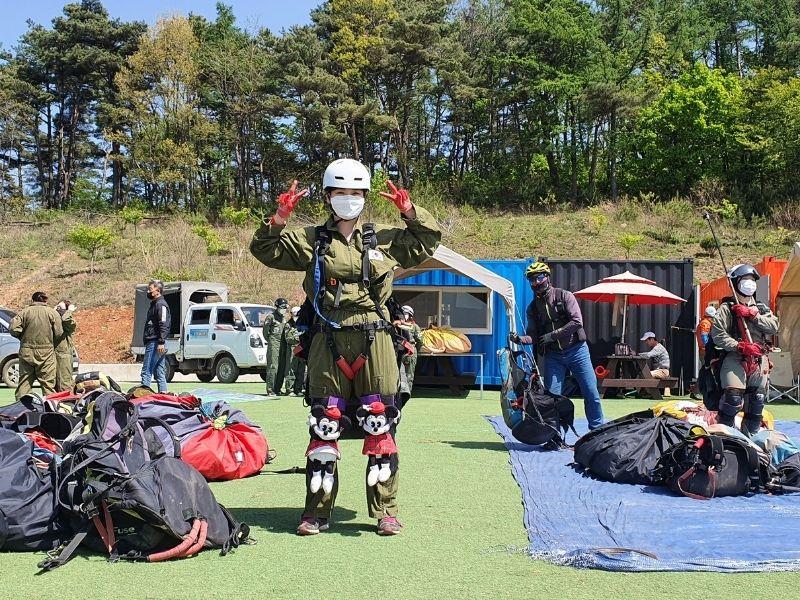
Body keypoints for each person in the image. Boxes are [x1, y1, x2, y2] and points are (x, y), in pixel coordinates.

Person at [250, 158, 441, 536]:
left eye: (355, 193)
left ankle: (386, 511)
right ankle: (316, 513)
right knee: (324, 424)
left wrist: (409, 211)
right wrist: (279, 217)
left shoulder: (383, 238)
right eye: (341, 192)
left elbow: (427, 242)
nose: (348, 199)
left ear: (365, 196)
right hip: (328, 338)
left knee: (380, 421)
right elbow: (265, 250)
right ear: (327, 196)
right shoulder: (310, 240)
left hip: (377, 338)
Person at [513, 261, 604, 430]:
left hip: (577, 351)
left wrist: (552, 335)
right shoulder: (532, 308)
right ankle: (553, 435)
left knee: (591, 393)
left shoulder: (564, 296)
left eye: (539, 278)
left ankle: (598, 430)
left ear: (547, 277)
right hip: (554, 356)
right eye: (532, 280)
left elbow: (577, 322)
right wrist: (520, 339)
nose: (536, 283)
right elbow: (533, 336)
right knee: (552, 397)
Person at [711, 264, 779, 437]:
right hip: (735, 357)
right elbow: (718, 334)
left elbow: (774, 326)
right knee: (732, 398)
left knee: (757, 400)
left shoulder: (762, 309)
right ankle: (724, 435)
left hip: (759, 360)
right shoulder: (727, 309)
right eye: (744, 280)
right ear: (735, 282)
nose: (749, 283)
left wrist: (753, 315)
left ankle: (752, 437)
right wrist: (739, 346)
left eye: (752, 280)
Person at [9, 291, 63, 399]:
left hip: (26, 351)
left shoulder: (24, 312)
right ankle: (49, 411)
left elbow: (13, 328)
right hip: (46, 352)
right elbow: (59, 333)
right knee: (48, 385)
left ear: (32, 300)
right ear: (45, 300)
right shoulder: (52, 313)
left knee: (24, 383)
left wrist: (22, 337)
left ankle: (21, 411)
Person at [141, 279, 170, 393]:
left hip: (155, 343)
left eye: (150, 289)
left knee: (147, 370)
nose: (148, 291)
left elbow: (164, 323)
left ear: (157, 290)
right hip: (155, 342)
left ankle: (142, 398)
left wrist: (161, 342)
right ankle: (164, 398)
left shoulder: (160, 305)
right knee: (159, 372)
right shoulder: (154, 304)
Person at [263, 298, 289, 396]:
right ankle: (270, 389)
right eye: (282, 307)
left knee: (282, 367)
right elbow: (265, 332)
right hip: (274, 344)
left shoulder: (284, 317)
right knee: (273, 366)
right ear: (277, 307)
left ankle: (278, 389)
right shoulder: (271, 317)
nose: (284, 309)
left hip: (283, 344)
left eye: (285, 307)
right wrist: (271, 341)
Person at [396, 305, 423, 393]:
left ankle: (403, 395)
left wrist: (415, 351)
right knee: (403, 375)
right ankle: (401, 394)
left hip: (404, 352)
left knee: (404, 375)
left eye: (406, 314)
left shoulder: (413, 327)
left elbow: (419, 341)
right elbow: (420, 341)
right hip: (403, 352)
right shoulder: (398, 325)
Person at [54, 299, 78, 392]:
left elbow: (65, 319)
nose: (58, 310)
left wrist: (68, 311)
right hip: (52, 354)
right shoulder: (54, 320)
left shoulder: (69, 322)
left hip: (64, 355)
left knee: (64, 383)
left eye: (61, 308)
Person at [282, 306, 305, 396]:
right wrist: (298, 338)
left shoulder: (303, 324)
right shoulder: (288, 325)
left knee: (301, 370)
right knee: (291, 369)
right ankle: (289, 389)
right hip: (292, 349)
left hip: (302, 348)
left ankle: (298, 389)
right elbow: (288, 338)